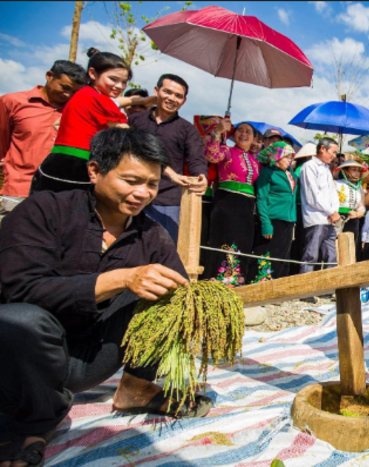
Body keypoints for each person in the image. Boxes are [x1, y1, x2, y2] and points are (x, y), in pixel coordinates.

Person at [0, 128, 212, 467]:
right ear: (95, 171)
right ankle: (35, 421)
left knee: (170, 299)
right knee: (17, 320)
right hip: (27, 358)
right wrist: (121, 279)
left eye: (153, 185)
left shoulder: (153, 235)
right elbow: (21, 289)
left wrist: (205, 310)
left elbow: (182, 294)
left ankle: (136, 388)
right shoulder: (44, 210)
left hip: (92, 358)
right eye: (131, 180)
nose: (142, 193)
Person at [30, 48, 155, 194]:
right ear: (92, 73)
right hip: (77, 167)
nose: (119, 86)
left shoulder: (82, 94)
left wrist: (142, 100)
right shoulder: (100, 100)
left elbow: (57, 124)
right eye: (113, 79)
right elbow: (126, 134)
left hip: (52, 163)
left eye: (124, 82)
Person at [0, 60, 87, 226]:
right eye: (64, 87)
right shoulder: (12, 102)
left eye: (74, 92)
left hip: (59, 194)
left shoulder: (77, 110)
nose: (68, 95)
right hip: (19, 189)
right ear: (49, 76)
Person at [128, 74, 207, 242]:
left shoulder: (188, 130)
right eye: (168, 92)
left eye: (178, 96)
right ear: (156, 91)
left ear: (184, 101)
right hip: (130, 191)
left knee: (161, 249)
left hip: (167, 199)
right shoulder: (135, 121)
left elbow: (196, 159)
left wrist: (201, 176)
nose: (172, 98)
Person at [202, 119, 260, 281]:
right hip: (227, 203)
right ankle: (215, 278)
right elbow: (211, 156)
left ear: (254, 138)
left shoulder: (255, 161)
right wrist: (217, 133)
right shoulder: (226, 150)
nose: (243, 133)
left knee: (243, 241)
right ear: (233, 136)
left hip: (247, 206)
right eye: (240, 130)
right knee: (223, 239)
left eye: (248, 131)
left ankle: (236, 279)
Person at [251, 142, 298, 279]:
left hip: (288, 219)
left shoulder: (291, 174)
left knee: (282, 254)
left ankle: (278, 287)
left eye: (291, 157)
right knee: (267, 254)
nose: (289, 160)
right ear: (276, 157)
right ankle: (260, 286)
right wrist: (265, 223)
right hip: (273, 219)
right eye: (286, 157)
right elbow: (261, 198)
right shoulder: (267, 173)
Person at [298, 137, 340, 274]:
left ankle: (328, 290)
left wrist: (335, 211)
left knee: (331, 256)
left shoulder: (326, 169)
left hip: (329, 219)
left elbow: (333, 193)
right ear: (322, 148)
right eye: (332, 152)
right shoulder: (309, 167)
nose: (334, 156)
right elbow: (313, 196)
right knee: (311, 255)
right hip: (315, 218)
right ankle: (305, 290)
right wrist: (330, 211)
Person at [288, 142, 316, 275]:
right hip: (302, 206)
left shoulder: (299, 168)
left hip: (301, 205)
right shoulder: (305, 168)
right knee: (302, 240)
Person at [334, 159, 367, 260]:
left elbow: (362, 207)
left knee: (350, 246)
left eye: (358, 170)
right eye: (354, 169)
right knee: (336, 245)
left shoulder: (359, 188)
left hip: (353, 220)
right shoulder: (336, 183)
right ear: (345, 171)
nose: (357, 173)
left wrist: (357, 214)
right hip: (337, 218)